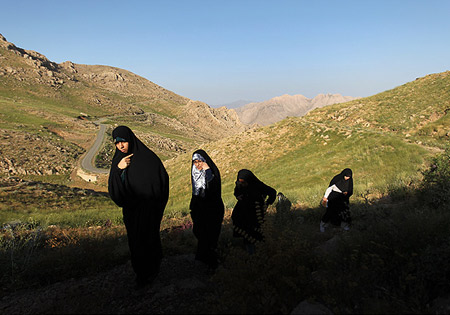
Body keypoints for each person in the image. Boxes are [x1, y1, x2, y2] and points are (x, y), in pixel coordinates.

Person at [108, 125, 169, 289]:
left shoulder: (148, 159)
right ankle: (141, 274)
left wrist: (154, 205)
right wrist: (118, 170)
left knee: (149, 239)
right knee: (135, 242)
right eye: (117, 143)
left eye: (123, 142)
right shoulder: (118, 160)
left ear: (131, 140)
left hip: (149, 212)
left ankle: (152, 271)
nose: (120, 146)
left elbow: (161, 182)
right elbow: (115, 190)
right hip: (131, 212)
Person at [189, 149, 224, 269]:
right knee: (201, 234)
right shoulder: (194, 173)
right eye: (195, 162)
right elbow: (195, 193)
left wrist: (207, 170)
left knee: (211, 236)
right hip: (200, 211)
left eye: (200, 161)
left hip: (213, 210)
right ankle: (204, 259)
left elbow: (214, 189)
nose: (198, 164)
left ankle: (212, 263)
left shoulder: (212, 172)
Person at [231, 169, 276, 254]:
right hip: (244, 214)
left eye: (244, 182)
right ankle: (251, 254)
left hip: (255, 214)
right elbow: (236, 192)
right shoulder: (239, 185)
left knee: (255, 233)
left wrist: (266, 204)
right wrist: (238, 196)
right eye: (240, 182)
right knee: (246, 234)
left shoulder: (258, 186)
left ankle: (260, 253)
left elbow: (272, 193)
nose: (242, 184)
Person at [320, 168, 353, 232]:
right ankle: (323, 225)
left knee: (345, 212)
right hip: (334, 197)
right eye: (346, 176)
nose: (347, 178)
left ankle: (344, 226)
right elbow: (329, 188)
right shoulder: (337, 179)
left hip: (343, 198)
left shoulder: (350, 181)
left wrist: (347, 193)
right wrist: (325, 197)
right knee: (330, 211)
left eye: (349, 177)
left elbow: (350, 190)